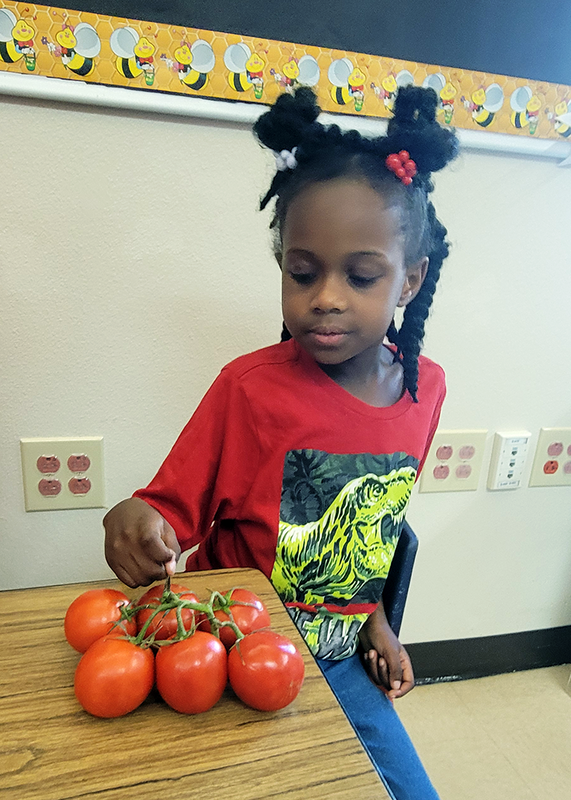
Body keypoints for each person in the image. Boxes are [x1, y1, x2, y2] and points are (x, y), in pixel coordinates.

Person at [104, 84, 458, 800]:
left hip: (334, 660)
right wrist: (135, 521)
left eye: (360, 276)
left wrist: (375, 625)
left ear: (409, 282)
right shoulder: (249, 388)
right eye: (302, 273)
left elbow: (370, 533)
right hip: (230, 651)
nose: (325, 295)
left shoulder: (426, 391)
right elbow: (168, 514)